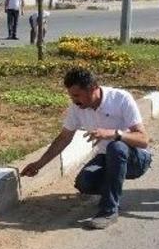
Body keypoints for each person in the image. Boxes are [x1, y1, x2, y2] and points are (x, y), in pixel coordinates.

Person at [20, 68, 151, 229]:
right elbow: (64, 138)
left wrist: (115, 134)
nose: (74, 100)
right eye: (71, 96)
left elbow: (143, 139)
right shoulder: (77, 108)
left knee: (116, 147)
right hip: (106, 158)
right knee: (85, 183)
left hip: (136, 158)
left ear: (93, 88)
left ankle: (108, 211)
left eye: (77, 95)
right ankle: (113, 187)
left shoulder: (120, 98)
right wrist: (39, 164)